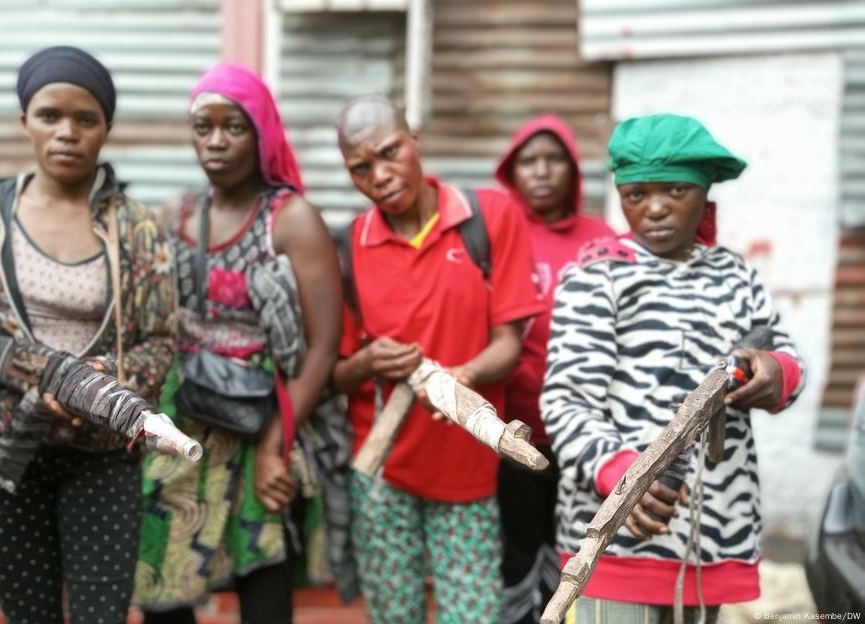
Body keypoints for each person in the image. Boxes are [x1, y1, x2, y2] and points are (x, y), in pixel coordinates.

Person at [0, 45, 177, 623]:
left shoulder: (135, 227)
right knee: (27, 613)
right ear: (25, 122)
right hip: (7, 448)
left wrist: (101, 396)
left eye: (86, 119)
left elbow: (160, 339)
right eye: (50, 116)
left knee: (99, 614)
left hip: (103, 456)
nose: (68, 132)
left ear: (106, 128)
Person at [542, 114, 805, 623]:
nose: (655, 208)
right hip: (615, 540)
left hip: (713, 535)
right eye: (636, 195)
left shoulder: (736, 275)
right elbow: (566, 401)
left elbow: (787, 359)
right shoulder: (598, 276)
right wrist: (625, 480)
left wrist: (776, 371)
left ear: (705, 196)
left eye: (675, 191)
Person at [134, 62, 342, 624]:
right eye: (204, 127)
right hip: (184, 417)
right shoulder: (176, 212)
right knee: (163, 574)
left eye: (235, 126)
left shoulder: (291, 220)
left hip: (262, 420)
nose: (217, 142)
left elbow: (324, 345)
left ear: (263, 131)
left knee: (263, 574)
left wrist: (277, 441)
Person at [331, 94, 547, 624]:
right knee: (394, 616)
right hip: (381, 471)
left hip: (467, 468)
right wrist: (368, 362)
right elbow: (334, 374)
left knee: (471, 616)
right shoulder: (348, 246)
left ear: (415, 139)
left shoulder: (488, 218)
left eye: (389, 153)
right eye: (361, 168)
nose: (379, 176)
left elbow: (508, 344)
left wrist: (461, 379)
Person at [493, 114, 615, 624]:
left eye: (553, 160)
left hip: (586, 433)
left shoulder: (602, 239)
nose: (541, 172)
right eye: (528, 162)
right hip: (514, 430)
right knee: (521, 550)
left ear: (573, 169)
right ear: (512, 172)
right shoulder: (498, 232)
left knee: (580, 552)